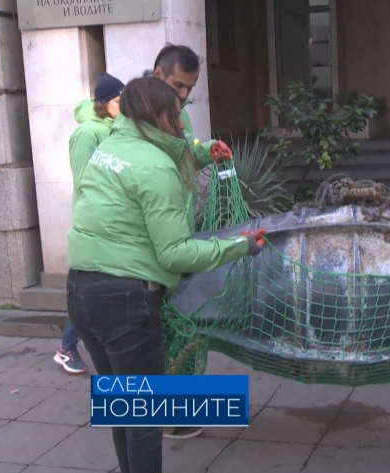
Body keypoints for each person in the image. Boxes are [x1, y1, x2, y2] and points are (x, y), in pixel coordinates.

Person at [66, 76, 266, 473]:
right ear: (157, 116)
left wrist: (204, 153)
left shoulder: (109, 149)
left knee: (121, 405)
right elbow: (174, 253)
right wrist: (239, 245)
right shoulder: (156, 166)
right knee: (143, 417)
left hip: (80, 291)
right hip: (124, 299)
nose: (182, 124)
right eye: (176, 116)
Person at [150, 43, 234, 440]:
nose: (183, 97)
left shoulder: (174, 118)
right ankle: (161, 422)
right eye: (177, 86)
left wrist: (203, 154)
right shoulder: (138, 127)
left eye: (190, 89)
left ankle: (174, 417)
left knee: (178, 331)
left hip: (169, 244)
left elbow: (181, 158)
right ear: (157, 75)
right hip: (144, 258)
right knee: (156, 345)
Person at [54, 72, 125, 375]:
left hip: (111, 222)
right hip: (94, 225)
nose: (124, 106)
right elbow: (85, 181)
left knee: (95, 291)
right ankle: (67, 348)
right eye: (120, 101)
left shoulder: (114, 129)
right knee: (89, 291)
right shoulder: (88, 133)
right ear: (105, 103)